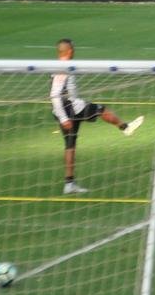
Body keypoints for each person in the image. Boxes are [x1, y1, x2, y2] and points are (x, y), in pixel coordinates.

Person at [49, 38, 145, 195]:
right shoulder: (62, 68)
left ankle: (69, 184)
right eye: (73, 48)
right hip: (71, 108)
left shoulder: (61, 65)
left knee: (70, 145)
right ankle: (125, 128)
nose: (74, 50)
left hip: (67, 109)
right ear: (69, 50)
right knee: (101, 110)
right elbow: (54, 94)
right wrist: (64, 118)